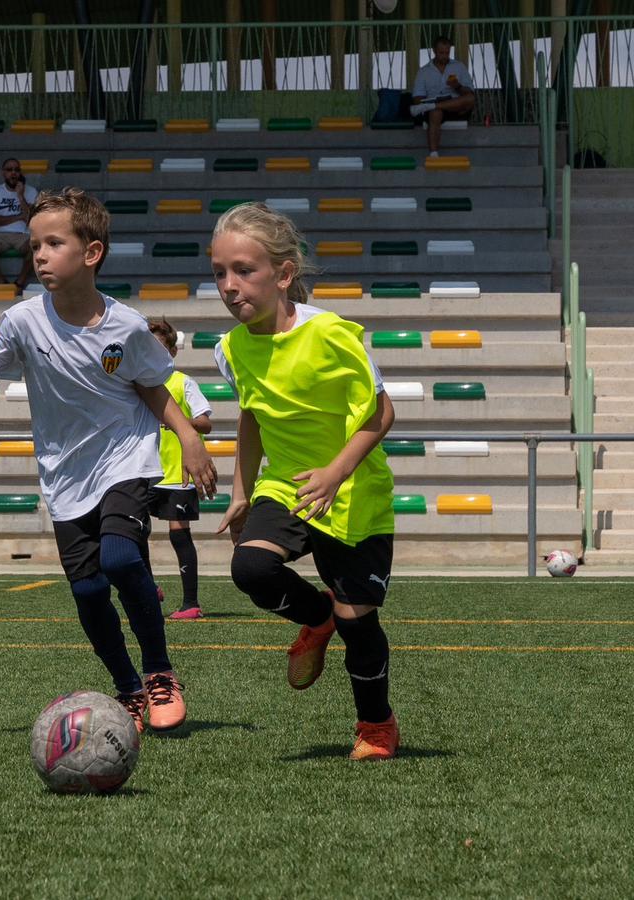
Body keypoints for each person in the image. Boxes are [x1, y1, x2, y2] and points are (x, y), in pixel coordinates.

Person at [0, 187, 217, 732]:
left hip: (125, 460)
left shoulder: (127, 327)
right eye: (34, 246)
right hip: (64, 473)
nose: (41, 255)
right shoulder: (21, 321)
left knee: (123, 560)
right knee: (87, 590)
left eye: (54, 243)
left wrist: (188, 438)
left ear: (92, 252)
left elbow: (152, 387)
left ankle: (159, 672)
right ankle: (126, 688)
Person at [209, 203, 400, 761]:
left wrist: (338, 473)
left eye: (244, 270)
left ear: (285, 273)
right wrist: (243, 491)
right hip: (286, 486)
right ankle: (314, 618)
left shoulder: (334, 336)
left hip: (354, 494)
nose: (229, 285)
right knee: (251, 567)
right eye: (219, 272)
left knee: (357, 622)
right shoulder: (231, 348)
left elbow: (381, 415)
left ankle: (376, 723)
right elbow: (251, 415)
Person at [145, 318, 213, 620]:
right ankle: (149, 588)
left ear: (172, 352)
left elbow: (205, 422)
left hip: (176, 473)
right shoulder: (137, 383)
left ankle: (190, 603)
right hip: (142, 469)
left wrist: (176, 422)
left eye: (161, 348)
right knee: (132, 531)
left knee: (179, 535)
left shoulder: (182, 382)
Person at [408, 35, 475, 157]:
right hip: (435, 112)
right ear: (434, 51)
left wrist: (457, 86)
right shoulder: (424, 71)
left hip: (456, 107)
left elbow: (469, 94)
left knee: (470, 98)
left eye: (447, 52)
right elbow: (417, 98)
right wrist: (428, 102)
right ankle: (434, 154)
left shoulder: (459, 67)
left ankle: (433, 106)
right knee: (435, 112)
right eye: (441, 52)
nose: (444, 56)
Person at [0, 158, 39, 289]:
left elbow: (32, 219)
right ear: (3, 173)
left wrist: (20, 196)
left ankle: (20, 282)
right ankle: (1, 282)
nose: (13, 173)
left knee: (36, 246)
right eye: (9, 170)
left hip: (23, 234)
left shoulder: (31, 191)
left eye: (16, 170)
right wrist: (18, 217)